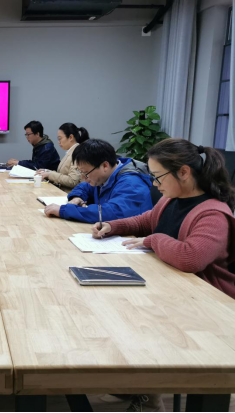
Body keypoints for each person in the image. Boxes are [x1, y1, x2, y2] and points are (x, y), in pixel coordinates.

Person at [93, 139, 235, 413]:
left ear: (184, 172)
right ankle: (138, 386)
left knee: (129, 315)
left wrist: (153, 240)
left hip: (208, 306)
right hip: (173, 290)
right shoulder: (171, 199)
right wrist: (112, 226)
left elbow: (191, 258)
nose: (154, 184)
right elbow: (145, 221)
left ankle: (148, 393)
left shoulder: (213, 213)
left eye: (158, 177)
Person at [45, 139, 153, 223]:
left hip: (132, 240)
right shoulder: (104, 177)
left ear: (105, 165)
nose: (83, 177)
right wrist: (76, 197)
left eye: (85, 172)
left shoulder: (132, 183)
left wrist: (64, 211)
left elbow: (111, 213)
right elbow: (84, 187)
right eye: (80, 172)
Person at [36, 123, 89, 190]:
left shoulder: (78, 153)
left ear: (71, 137)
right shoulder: (71, 152)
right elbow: (63, 174)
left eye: (60, 138)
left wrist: (50, 174)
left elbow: (73, 181)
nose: (59, 142)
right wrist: (47, 172)